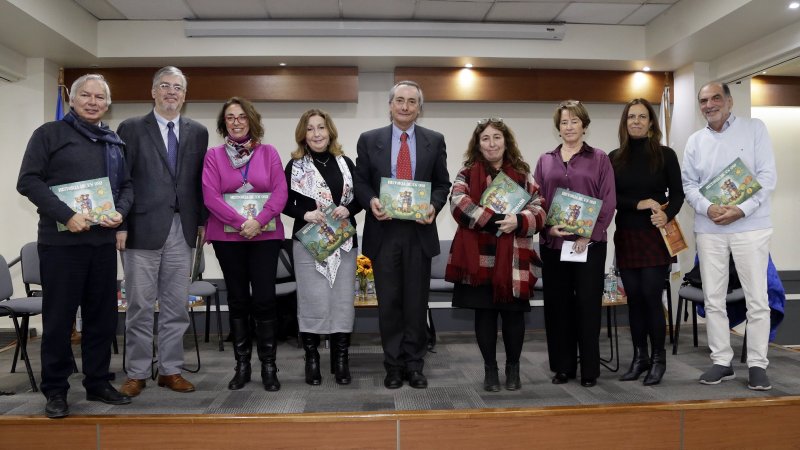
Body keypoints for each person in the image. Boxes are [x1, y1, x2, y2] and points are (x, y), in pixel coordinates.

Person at [17, 74, 133, 418]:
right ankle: (55, 389)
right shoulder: (48, 134)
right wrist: (66, 215)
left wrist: (120, 213)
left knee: (101, 318)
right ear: (72, 99)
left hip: (100, 244)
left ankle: (98, 382)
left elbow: (126, 186)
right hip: (61, 244)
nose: (93, 101)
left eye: (100, 97)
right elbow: (28, 181)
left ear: (107, 104)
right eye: (86, 95)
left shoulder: (113, 141)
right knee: (58, 319)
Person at [116, 66, 209, 397]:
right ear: (153, 91)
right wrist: (122, 224)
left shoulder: (198, 132)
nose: (172, 92)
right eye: (165, 86)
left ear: (185, 95)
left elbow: (201, 183)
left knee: (175, 305)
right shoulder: (130, 128)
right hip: (141, 229)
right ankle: (137, 372)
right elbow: (121, 180)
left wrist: (201, 222)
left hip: (182, 230)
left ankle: (170, 370)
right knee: (140, 305)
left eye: (178, 87)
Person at [354, 80, 451, 389]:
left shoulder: (434, 141)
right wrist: (370, 202)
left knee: (415, 302)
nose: (405, 106)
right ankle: (393, 365)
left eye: (411, 101)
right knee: (390, 303)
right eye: (400, 100)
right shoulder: (369, 140)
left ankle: (414, 364)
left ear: (418, 108)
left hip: (418, 233)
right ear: (390, 105)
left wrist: (435, 206)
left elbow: (442, 184)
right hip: (384, 232)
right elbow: (360, 182)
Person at [681, 82, 777, 390]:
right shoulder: (695, 141)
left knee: (757, 299)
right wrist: (708, 208)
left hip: (751, 227)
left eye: (715, 98)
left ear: (729, 101)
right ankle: (721, 361)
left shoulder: (754, 129)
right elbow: (689, 185)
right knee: (713, 299)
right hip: (710, 230)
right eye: (703, 101)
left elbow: (767, 177)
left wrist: (742, 210)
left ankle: (758, 364)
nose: (709, 105)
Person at [445, 118, 545, 392]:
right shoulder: (466, 173)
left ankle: (513, 369)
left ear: (506, 141)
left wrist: (519, 221)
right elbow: (457, 203)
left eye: (496, 137)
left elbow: (540, 209)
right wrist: (496, 219)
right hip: (477, 259)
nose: (491, 143)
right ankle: (490, 370)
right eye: (485, 138)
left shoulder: (523, 175)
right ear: (478, 144)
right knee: (485, 317)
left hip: (512, 259)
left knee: (513, 317)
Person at [202, 97, 288, 391]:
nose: (236, 122)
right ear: (223, 123)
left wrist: (259, 221)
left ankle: (268, 366)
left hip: (265, 237)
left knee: (264, 300)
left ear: (251, 120)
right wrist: (242, 223)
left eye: (241, 116)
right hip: (228, 238)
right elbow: (210, 196)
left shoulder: (268, 153)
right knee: (238, 300)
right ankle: (242, 366)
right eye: (230, 117)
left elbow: (280, 192)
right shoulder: (214, 156)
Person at [533, 100, 616, 388]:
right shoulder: (545, 160)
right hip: (554, 245)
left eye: (574, 121)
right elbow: (537, 200)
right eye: (564, 122)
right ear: (558, 128)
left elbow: (608, 201)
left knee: (587, 307)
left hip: (588, 247)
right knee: (558, 308)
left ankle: (589, 369)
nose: (569, 127)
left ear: (584, 126)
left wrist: (587, 236)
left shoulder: (600, 158)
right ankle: (563, 367)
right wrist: (546, 226)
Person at [284, 109, 361, 385]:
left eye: (321, 128)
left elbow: (360, 198)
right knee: (312, 301)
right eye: (310, 129)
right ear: (303, 134)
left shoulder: (346, 162)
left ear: (330, 131)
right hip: (309, 244)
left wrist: (347, 208)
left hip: (343, 243)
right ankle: (312, 359)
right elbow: (283, 201)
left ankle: (341, 359)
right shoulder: (295, 166)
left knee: (342, 302)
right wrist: (304, 214)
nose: (317, 133)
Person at [609, 98, 684, 386]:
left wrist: (667, 216)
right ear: (625, 122)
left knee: (652, 299)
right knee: (635, 301)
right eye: (631, 117)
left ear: (651, 122)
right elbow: (611, 198)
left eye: (642, 117)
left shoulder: (666, 155)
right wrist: (638, 203)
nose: (636, 122)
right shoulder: (613, 157)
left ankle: (658, 360)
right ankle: (639, 358)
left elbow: (677, 195)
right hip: (627, 235)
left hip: (655, 237)